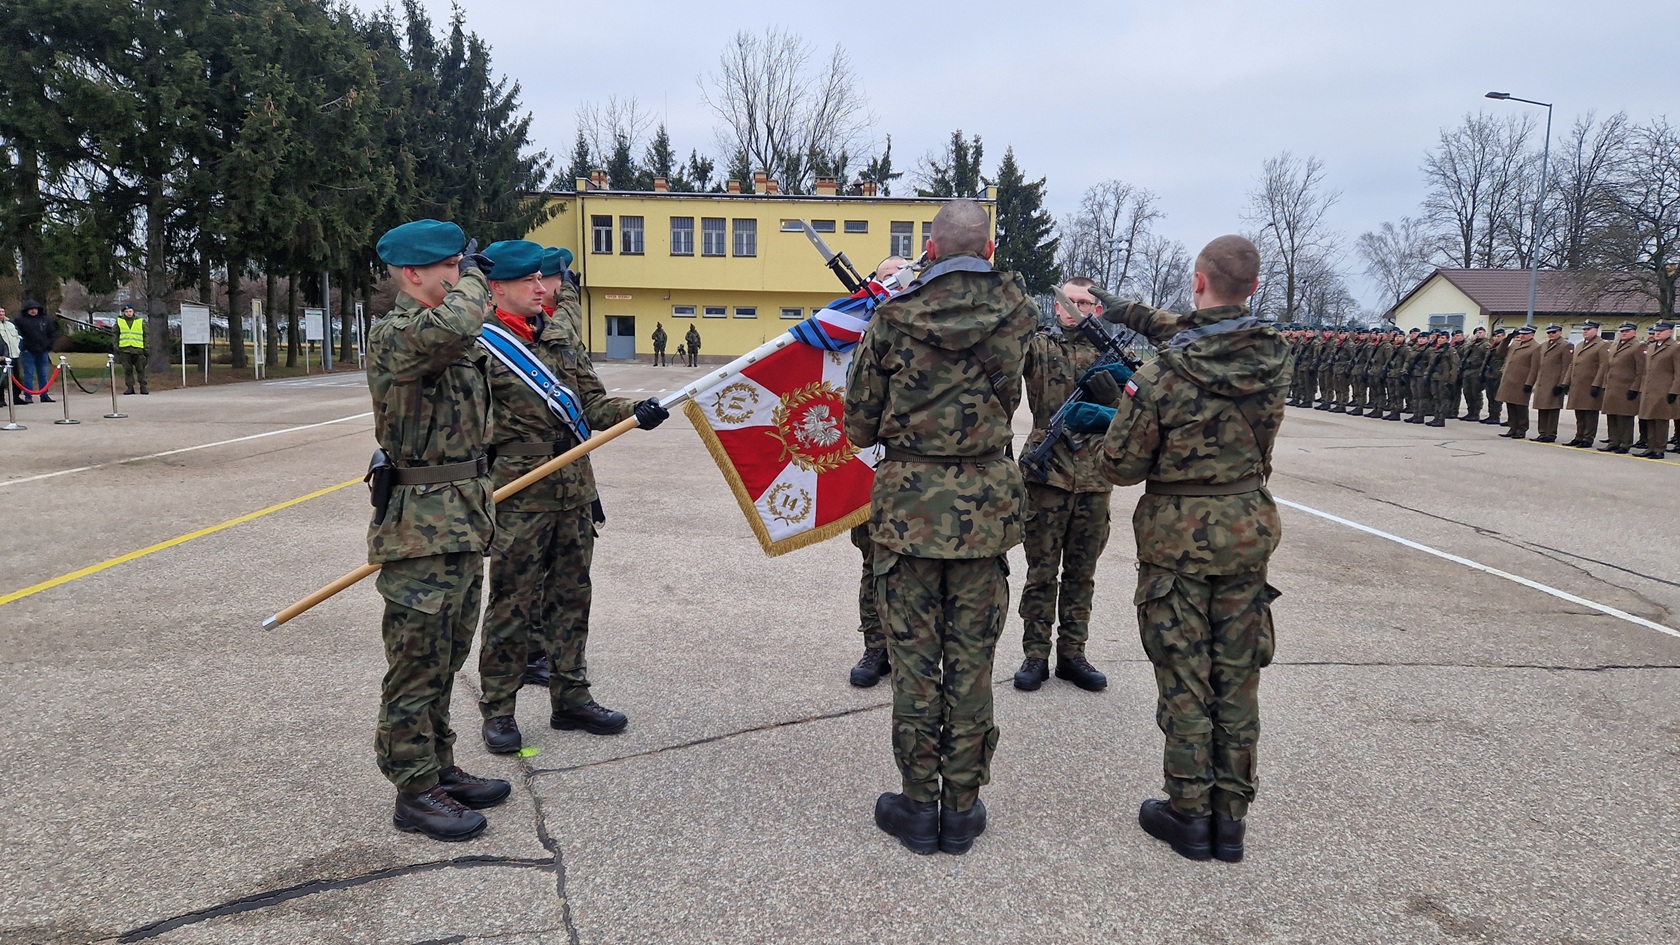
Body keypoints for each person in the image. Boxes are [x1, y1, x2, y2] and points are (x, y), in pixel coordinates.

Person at [1068, 235, 1287, 864]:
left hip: (1177, 538)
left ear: (1196, 282)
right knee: (1238, 678)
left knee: (1187, 677)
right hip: (1246, 530)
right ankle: (1231, 819)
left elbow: (1122, 467)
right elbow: (1199, 331)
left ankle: (1189, 813)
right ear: (1254, 285)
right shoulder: (1274, 356)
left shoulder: (1161, 374)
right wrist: (1117, 308)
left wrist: (1112, 414)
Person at [843, 199, 1036, 856]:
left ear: (929, 247)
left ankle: (917, 805)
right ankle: (963, 805)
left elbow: (858, 425)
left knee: (918, 667)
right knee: (973, 666)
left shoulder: (892, 319)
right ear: (987, 252)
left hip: (908, 514)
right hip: (984, 513)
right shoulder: (1019, 314)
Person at [475, 240, 667, 755]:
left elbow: (594, 402)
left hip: (575, 490)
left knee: (571, 597)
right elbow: (471, 430)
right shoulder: (478, 348)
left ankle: (571, 698)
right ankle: (498, 709)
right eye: (528, 282)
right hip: (518, 493)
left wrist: (638, 410)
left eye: (542, 279)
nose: (543, 289)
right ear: (498, 288)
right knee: (512, 605)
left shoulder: (559, 338)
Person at [365, 219, 510, 842]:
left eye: (462, 264)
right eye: (449, 266)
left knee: (446, 658)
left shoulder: (451, 340)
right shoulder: (401, 334)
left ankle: (439, 767)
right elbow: (458, 321)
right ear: (412, 274)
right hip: (419, 527)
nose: (461, 275)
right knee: (415, 662)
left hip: (461, 518)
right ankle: (412, 790)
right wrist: (477, 279)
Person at [1013, 275, 1116, 693]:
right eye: (1068, 301)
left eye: (1085, 304)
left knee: (1081, 573)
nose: (1076, 309)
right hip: (1046, 473)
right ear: (1056, 306)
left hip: (1094, 476)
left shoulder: (1110, 356)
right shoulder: (1039, 347)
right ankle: (1034, 654)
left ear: (1098, 310)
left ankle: (1072, 654)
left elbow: (1137, 407)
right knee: (1040, 571)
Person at [848, 254, 909, 689]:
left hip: (915, 471)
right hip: (867, 469)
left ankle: (910, 647)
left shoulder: (927, 331)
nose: (896, 284)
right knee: (874, 563)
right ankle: (876, 648)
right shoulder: (855, 331)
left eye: (903, 278)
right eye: (888, 278)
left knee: (917, 569)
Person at [1596, 323, 1645, 454]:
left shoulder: (1638, 346)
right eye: (1622, 331)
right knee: (1611, 416)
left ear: (1634, 332)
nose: (1623, 333)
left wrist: (1635, 388)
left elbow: (1641, 370)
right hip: (1612, 387)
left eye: (1627, 331)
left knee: (1625, 417)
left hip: (1626, 387)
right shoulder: (1614, 345)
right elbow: (1608, 366)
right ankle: (1613, 441)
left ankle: (1625, 443)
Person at [1634, 321, 1677, 459]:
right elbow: (1646, 371)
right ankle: (1650, 447)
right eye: (1657, 330)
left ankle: (1659, 448)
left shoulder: (1675, 348)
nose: (1657, 333)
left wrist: (1674, 391)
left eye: (1661, 331)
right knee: (1649, 418)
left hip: (1664, 390)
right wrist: (1642, 387)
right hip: (1649, 389)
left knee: (1660, 420)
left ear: (1670, 332)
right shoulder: (1652, 347)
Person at [1526, 324, 1574, 443]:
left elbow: (1566, 366)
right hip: (1543, 382)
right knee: (1542, 408)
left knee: (1552, 409)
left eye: (1554, 332)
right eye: (1549, 332)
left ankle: (1551, 433)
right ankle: (1542, 432)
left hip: (1554, 382)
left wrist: (1562, 384)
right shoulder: (1544, 345)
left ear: (1560, 332)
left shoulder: (1565, 345)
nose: (1551, 335)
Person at [1564, 322, 1608, 448]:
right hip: (1578, 385)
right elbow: (1572, 364)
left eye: (1588, 329)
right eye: (1584, 329)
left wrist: (1597, 384)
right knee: (1579, 413)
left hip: (1590, 384)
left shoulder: (1602, 345)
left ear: (1596, 330)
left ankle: (1588, 438)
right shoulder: (1579, 345)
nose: (1585, 331)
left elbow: (1603, 365)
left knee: (1590, 413)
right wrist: (1566, 382)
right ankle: (1579, 436)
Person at [1496, 327, 1539, 438]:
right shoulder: (1515, 344)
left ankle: (1521, 429)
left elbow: (1535, 368)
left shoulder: (1535, 347)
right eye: (1521, 334)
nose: (1523, 336)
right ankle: (1512, 428)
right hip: (1509, 380)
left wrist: (1529, 383)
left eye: (1526, 334)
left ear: (1532, 335)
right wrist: (1507, 340)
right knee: (1510, 405)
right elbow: (1500, 352)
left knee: (1521, 407)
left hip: (1521, 381)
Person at [14, 300, 57, 404]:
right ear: (27, 310)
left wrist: (49, 346)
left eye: (35, 309)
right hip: (28, 351)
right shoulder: (20, 320)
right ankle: (28, 396)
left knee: (43, 373)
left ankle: (44, 395)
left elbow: (52, 334)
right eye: (31, 309)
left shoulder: (45, 320)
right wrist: (23, 347)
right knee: (29, 373)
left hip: (43, 350)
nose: (33, 311)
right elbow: (17, 335)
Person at [1425, 329, 1460, 427]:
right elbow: (1430, 365)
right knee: (1436, 398)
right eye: (1439, 338)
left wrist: (1451, 380)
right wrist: (1427, 376)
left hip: (1444, 379)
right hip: (1435, 377)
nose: (1440, 340)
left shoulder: (1451, 351)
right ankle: (1436, 417)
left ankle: (1441, 418)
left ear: (1447, 339)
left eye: (1442, 338)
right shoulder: (1436, 350)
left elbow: (1455, 366)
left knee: (1443, 399)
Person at [1457, 327, 1491, 421]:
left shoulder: (1485, 344)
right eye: (1476, 333)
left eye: (1480, 332)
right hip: (1467, 371)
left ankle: (1475, 413)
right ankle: (1470, 411)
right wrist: (1471, 343)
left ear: (1485, 333)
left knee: (1475, 393)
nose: (1478, 334)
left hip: (1477, 370)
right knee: (1467, 392)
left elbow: (1486, 358)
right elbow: (1463, 352)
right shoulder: (1471, 344)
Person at [114, 305, 149, 395]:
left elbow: (146, 335)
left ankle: (143, 387)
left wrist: (146, 348)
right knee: (127, 370)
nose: (128, 313)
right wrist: (116, 346)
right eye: (126, 312)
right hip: (125, 350)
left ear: (133, 312)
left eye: (130, 311)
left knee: (141, 369)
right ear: (124, 312)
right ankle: (130, 387)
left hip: (138, 350)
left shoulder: (140, 321)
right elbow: (115, 335)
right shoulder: (119, 322)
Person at [1480, 328, 1509, 425]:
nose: (1496, 338)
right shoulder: (1492, 346)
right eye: (1495, 336)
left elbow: (1505, 360)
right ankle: (1491, 415)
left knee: (1496, 397)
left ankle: (1496, 416)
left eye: (1499, 336)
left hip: (1497, 375)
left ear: (1504, 337)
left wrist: (1501, 373)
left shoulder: (1505, 347)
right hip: (1489, 374)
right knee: (1490, 396)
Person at [0, 306, 19, 407]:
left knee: (16, 376)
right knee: (2, 379)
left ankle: (16, 397)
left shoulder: (10, 325)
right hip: (2, 355)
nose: (1, 314)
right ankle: (1, 399)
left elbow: (17, 337)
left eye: (3, 311)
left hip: (13, 354)